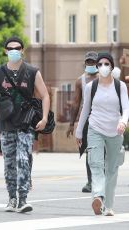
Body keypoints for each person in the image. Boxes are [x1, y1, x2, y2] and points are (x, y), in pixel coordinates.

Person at [0, 36, 50, 213]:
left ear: (22, 50)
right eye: (10, 48)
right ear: (5, 51)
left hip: (26, 124)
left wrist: (45, 118)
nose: (14, 51)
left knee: (23, 158)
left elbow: (45, 95)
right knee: (9, 163)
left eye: (17, 48)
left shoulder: (32, 71)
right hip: (6, 124)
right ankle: (12, 198)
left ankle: (22, 199)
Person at [75, 52, 129, 216]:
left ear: (112, 67)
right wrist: (79, 132)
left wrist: (123, 122)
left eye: (107, 64)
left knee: (112, 169)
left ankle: (109, 206)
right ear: (97, 68)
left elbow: (126, 108)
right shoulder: (92, 87)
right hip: (95, 129)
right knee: (96, 164)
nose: (103, 67)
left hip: (115, 131)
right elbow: (85, 110)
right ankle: (98, 195)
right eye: (100, 64)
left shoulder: (120, 86)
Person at [66, 51, 99, 193]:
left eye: (93, 62)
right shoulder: (81, 81)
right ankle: (91, 181)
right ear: (85, 63)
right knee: (89, 151)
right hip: (87, 120)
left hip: (103, 118)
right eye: (88, 62)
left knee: (102, 152)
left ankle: (102, 179)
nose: (90, 64)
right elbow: (76, 103)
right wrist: (71, 124)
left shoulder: (105, 78)